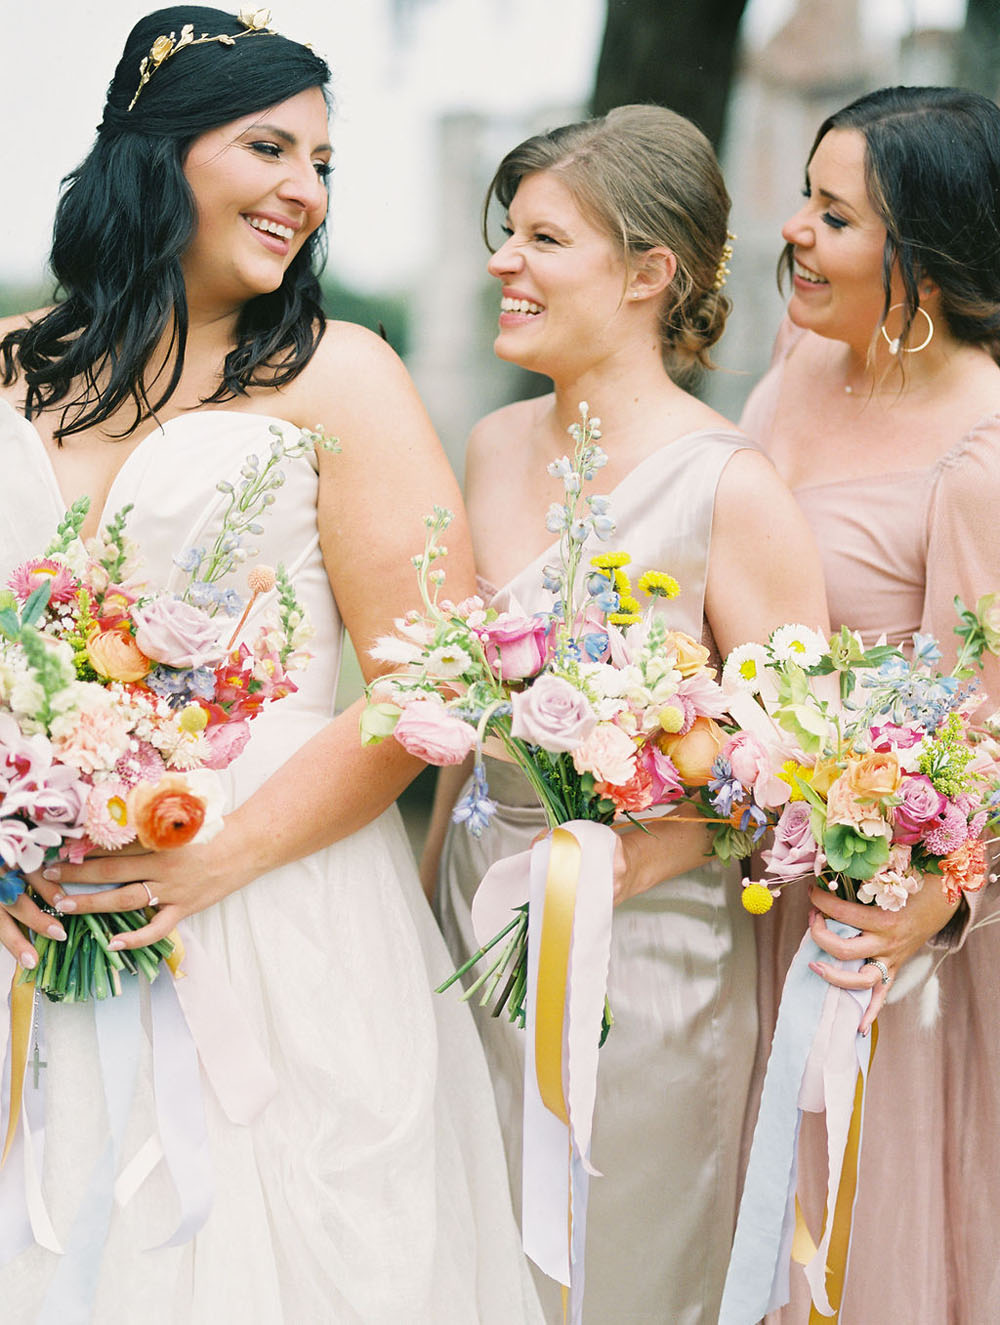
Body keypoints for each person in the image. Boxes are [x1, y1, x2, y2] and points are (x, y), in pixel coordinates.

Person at [0, 8, 543, 1321]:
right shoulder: (9, 366)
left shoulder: (337, 375)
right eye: (270, 145)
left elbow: (432, 684)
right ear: (160, 152)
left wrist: (219, 858)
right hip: (35, 925)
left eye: (325, 162)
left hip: (280, 916)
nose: (305, 189)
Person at [423, 105, 829, 1324]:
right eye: (508, 233)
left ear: (651, 272)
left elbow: (798, 767)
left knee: (624, 1272)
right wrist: (431, 882)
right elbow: (457, 699)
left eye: (544, 239)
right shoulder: (491, 445)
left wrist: (638, 850)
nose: (505, 261)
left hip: (650, 954)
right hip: (472, 922)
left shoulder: (731, 487)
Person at [740, 85, 1000, 1321]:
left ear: (930, 258)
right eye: (805, 198)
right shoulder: (791, 378)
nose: (793, 229)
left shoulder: (982, 450)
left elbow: (988, 730)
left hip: (890, 931)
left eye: (832, 215)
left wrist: (933, 900)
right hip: (758, 882)